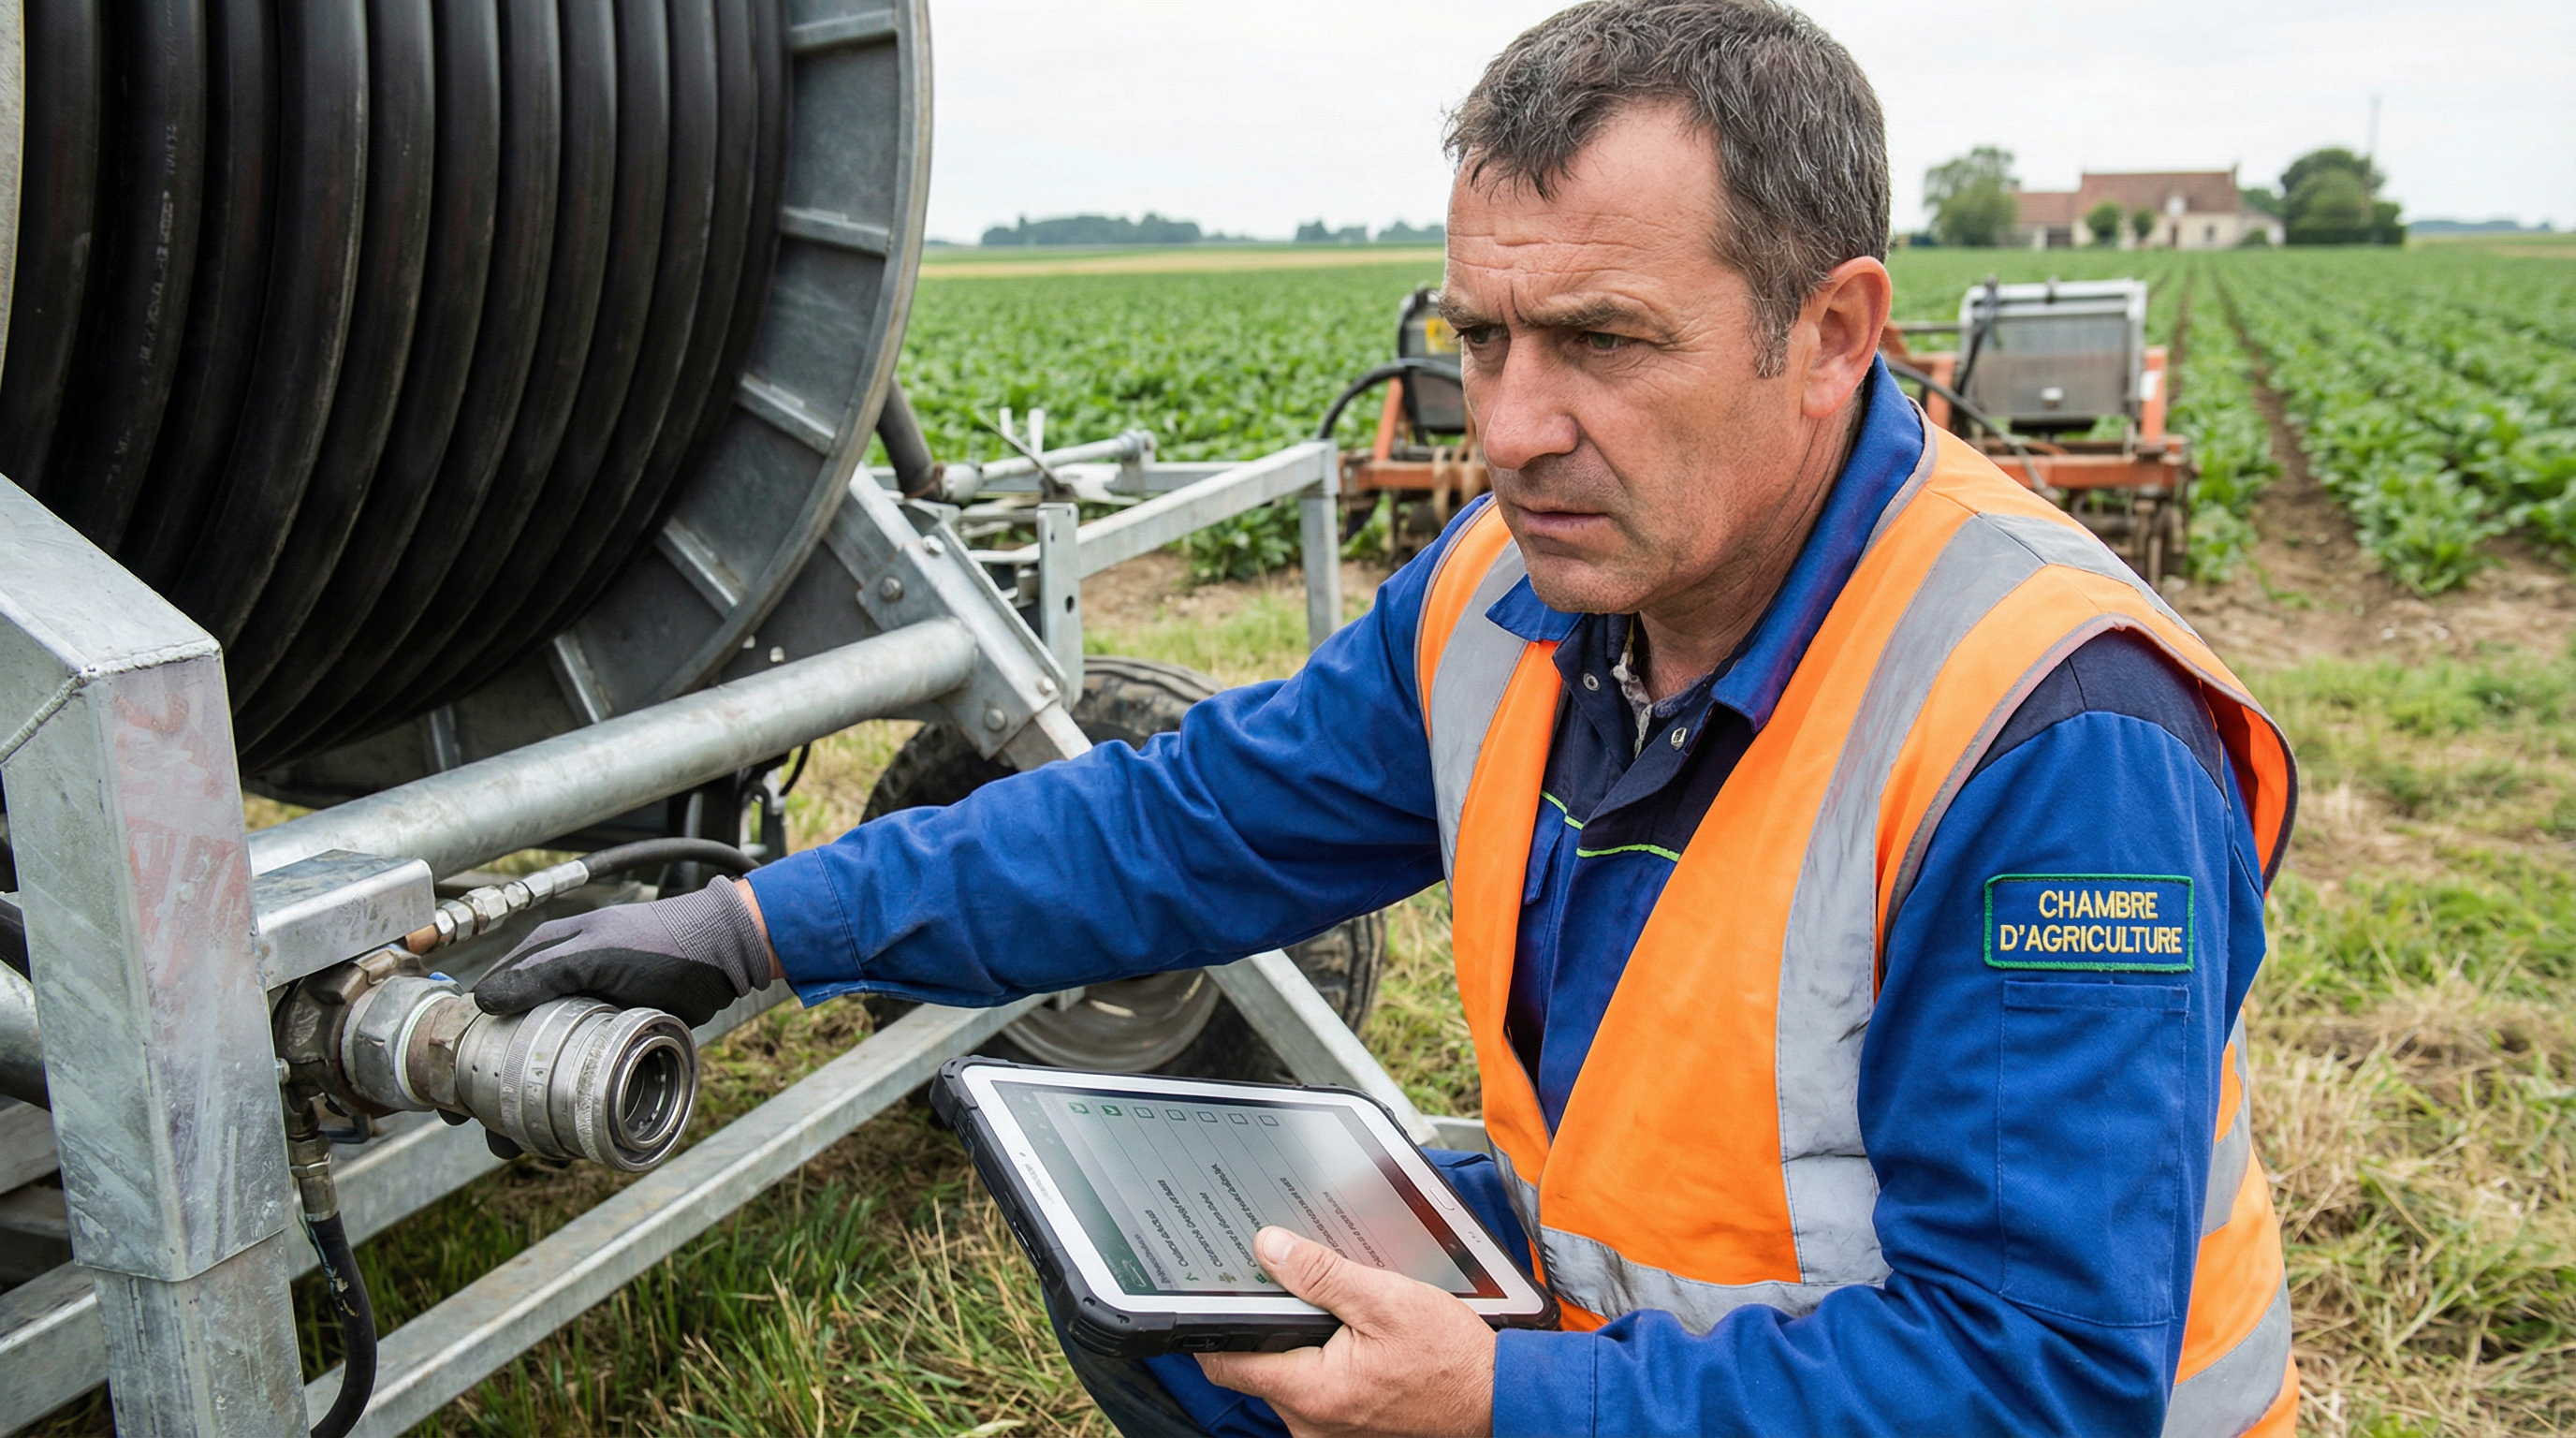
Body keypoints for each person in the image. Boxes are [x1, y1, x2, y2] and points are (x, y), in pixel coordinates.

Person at [473, 2, 2301, 1433]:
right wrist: (759, 924)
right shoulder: (1511, 594)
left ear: (1829, 335)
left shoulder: (2052, 737)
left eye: (1601, 341)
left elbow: (2032, 1381)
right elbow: (1178, 828)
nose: (1506, 430)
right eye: (1480, 338)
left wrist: (1506, 1403)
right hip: (1634, 1311)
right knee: (1171, 1294)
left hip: (1875, 1397)